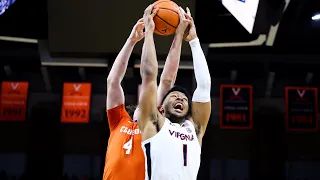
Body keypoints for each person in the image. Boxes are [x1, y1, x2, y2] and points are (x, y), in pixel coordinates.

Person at [103, 7, 190, 179]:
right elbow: (112, 81)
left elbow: (167, 79)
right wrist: (131, 40)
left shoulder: (154, 126)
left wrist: (178, 36)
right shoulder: (118, 122)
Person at [139, 5, 211, 180]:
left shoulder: (194, 129)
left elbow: (204, 86)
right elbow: (149, 76)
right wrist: (149, 32)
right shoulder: (153, 122)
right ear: (160, 108)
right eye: (173, 96)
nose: (180, 97)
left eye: (184, 99)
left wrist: (193, 41)